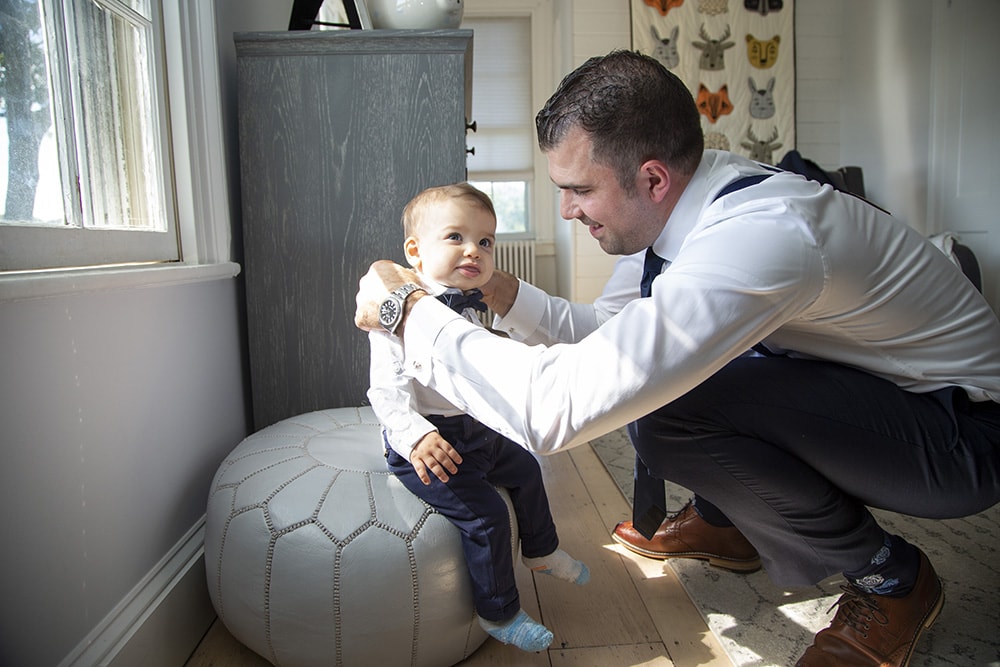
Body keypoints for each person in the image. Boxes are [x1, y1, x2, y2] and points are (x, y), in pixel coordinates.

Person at [355, 51, 1000, 667]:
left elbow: (554, 411)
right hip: (875, 388)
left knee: (667, 415)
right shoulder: (676, 205)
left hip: (964, 431)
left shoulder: (758, 237)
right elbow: (609, 335)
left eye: (578, 190)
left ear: (653, 178)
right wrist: (503, 292)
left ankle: (892, 581)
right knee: (668, 393)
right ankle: (732, 522)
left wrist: (404, 310)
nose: (566, 210)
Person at [367, 183, 589, 654]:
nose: (474, 250)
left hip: (478, 430)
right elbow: (385, 390)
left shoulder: (473, 301)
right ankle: (499, 612)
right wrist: (414, 438)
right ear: (416, 251)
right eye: (456, 237)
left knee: (528, 468)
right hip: (432, 443)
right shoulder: (400, 312)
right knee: (487, 517)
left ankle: (541, 551)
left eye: (486, 241)